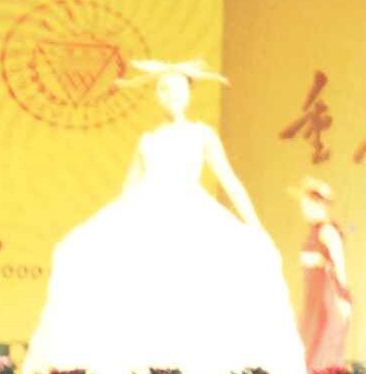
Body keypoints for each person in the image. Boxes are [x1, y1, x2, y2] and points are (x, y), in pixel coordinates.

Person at [22, 59, 306, 374]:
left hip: (189, 212)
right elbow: (127, 191)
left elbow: (230, 181)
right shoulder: (149, 140)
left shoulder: (201, 134)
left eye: (177, 88)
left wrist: (256, 227)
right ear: (156, 95)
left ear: (189, 93)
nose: (171, 95)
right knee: (104, 268)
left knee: (194, 284)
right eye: (164, 89)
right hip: (147, 212)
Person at [295, 176, 353, 372]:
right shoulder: (314, 231)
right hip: (313, 300)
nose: (304, 210)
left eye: (306, 204)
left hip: (327, 300)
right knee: (309, 349)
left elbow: (339, 265)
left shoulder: (328, 231)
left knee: (323, 352)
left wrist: (343, 296)